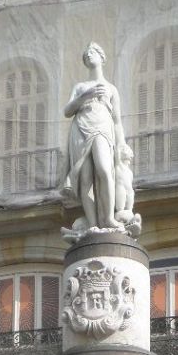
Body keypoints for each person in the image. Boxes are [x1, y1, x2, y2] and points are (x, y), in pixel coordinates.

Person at [63, 42, 126, 231]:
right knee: (86, 177)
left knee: (105, 170)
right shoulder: (80, 87)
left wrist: (121, 142)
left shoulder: (111, 89)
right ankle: (92, 224)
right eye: (86, 54)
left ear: (101, 57)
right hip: (81, 127)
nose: (88, 55)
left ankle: (108, 219)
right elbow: (67, 111)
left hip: (102, 127)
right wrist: (85, 96)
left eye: (92, 52)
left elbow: (117, 120)